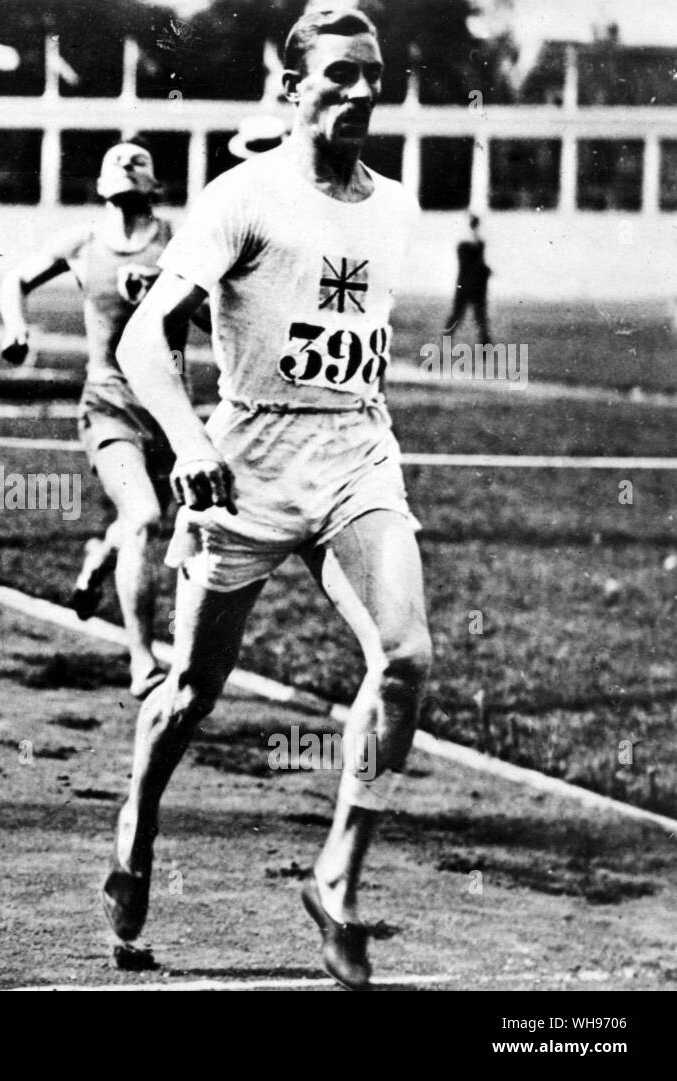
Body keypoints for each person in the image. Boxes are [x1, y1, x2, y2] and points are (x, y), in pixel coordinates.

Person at [101, 7, 433, 989]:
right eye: (337, 76)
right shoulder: (241, 199)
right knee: (190, 695)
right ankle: (137, 817)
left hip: (354, 457)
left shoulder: (394, 207)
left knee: (405, 657)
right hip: (244, 465)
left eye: (372, 76)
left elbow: (345, 332)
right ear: (291, 89)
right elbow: (140, 339)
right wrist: (191, 442)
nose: (360, 92)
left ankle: (334, 879)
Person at [0, 139, 206, 700]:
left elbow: (213, 317)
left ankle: (97, 560)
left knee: (139, 522)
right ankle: (142, 658)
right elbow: (14, 280)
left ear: (154, 183)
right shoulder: (82, 241)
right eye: (116, 159)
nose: (126, 164)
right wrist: (17, 328)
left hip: (168, 410)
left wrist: (166, 294)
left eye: (139, 159)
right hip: (107, 403)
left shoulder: (176, 242)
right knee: (142, 518)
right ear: (100, 182)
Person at [443, 212, 492, 343]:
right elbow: (468, 264)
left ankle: (485, 344)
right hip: (467, 284)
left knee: (478, 316)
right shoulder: (467, 242)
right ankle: (446, 341)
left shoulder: (476, 241)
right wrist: (483, 270)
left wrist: (485, 270)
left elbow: (478, 262)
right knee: (461, 315)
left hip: (474, 284)